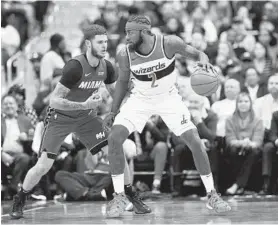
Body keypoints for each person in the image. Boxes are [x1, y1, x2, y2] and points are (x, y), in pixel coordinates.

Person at [10, 24, 150, 219]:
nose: (104, 46)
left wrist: (134, 91)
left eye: (106, 42)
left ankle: (130, 195)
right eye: (99, 42)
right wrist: (84, 104)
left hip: (85, 118)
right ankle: (21, 197)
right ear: (87, 44)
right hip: (60, 118)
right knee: (43, 165)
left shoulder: (106, 66)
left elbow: (114, 93)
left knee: (115, 149)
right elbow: (55, 100)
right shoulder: (75, 67)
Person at [103, 15, 231, 218]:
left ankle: (212, 194)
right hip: (140, 99)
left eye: (130, 32)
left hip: (168, 99)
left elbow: (199, 54)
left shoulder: (169, 43)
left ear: (144, 32)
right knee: (114, 138)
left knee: (195, 141)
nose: (126, 37)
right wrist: (113, 110)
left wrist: (204, 63)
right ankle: (119, 196)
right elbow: (122, 83)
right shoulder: (124, 54)